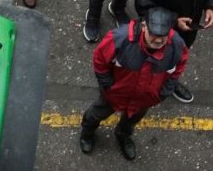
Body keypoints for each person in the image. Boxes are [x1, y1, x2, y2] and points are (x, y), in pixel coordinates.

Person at [81, 8, 190, 159]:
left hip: (145, 99)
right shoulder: (119, 39)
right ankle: (87, 132)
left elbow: (178, 68)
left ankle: (123, 135)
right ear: (144, 26)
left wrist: (165, 91)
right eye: (154, 34)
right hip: (115, 94)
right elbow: (100, 60)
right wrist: (107, 86)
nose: (159, 40)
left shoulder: (177, 45)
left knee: (132, 120)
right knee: (96, 113)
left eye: (163, 35)